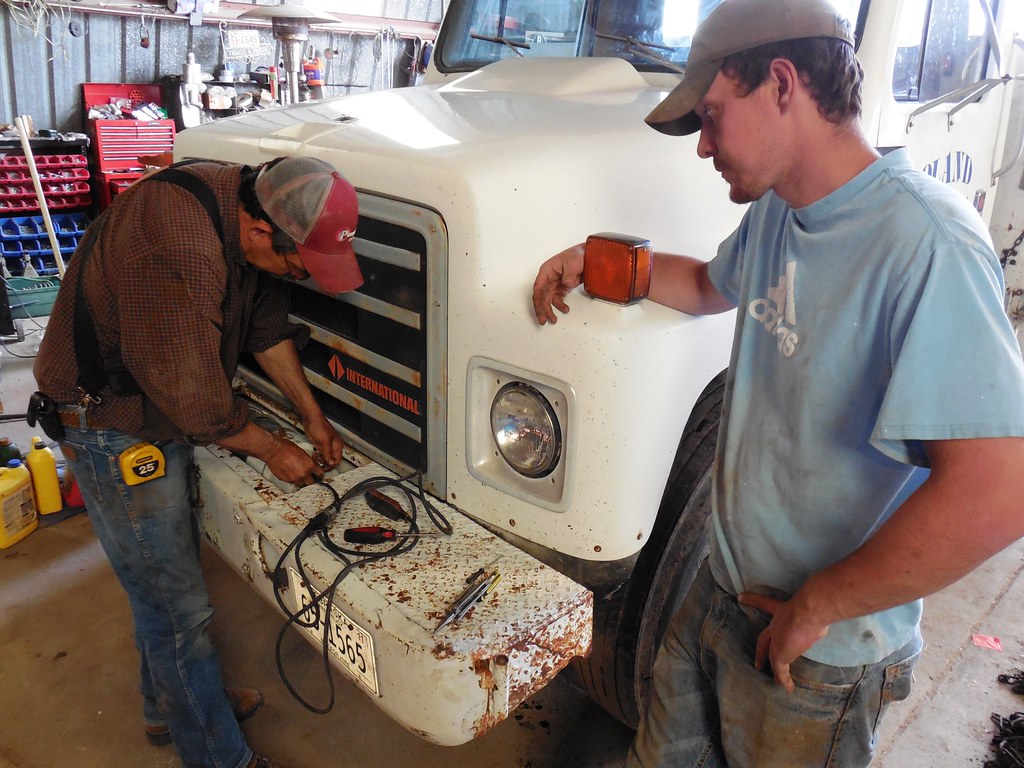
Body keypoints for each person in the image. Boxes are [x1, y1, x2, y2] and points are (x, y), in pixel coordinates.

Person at [532, 0, 1024, 765]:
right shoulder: (780, 215)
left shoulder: (926, 244)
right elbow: (706, 286)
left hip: (819, 649)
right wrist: (595, 263)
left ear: (784, 84)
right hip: (718, 588)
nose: (704, 147)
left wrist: (820, 605)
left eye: (713, 117)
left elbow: (1001, 491)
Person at [34, 155, 363, 768]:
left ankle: (174, 702)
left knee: (159, 583)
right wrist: (273, 450)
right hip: (109, 420)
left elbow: (265, 329)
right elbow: (192, 399)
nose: (301, 274)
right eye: (299, 262)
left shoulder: (248, 204)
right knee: (175, 605)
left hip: (152, 399)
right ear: (263, 231)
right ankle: (216, 755)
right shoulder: (178, 247)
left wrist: (312, 417)